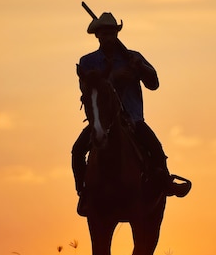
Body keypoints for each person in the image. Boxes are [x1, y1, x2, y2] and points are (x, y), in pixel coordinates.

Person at [72, 11, 191, 201]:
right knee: (78, 151)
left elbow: (154, 84)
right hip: (101, 120)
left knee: (156, 149)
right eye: (104, 33)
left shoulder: (133, 57)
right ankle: (83, 192)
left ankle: (166, 184)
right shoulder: (88, 61)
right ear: (97, 35)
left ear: (116, 34)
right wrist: (115, 77)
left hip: (132, 119)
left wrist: (141, 68)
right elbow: (86, 89)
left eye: (111, 33)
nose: (108, 37)